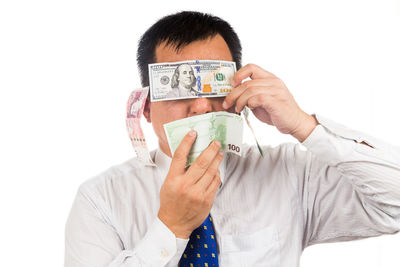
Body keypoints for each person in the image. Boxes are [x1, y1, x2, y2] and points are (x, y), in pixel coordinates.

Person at [64, 11, 400, 267]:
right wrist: (170, 229)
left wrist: (303, 125)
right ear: (147, 108)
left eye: (214, 85)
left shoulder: (290, 174)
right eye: (179, 89)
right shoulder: (101, 200)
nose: (200, 105)